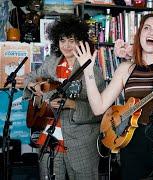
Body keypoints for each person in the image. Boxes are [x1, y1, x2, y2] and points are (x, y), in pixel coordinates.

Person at [74, 13, 153, 180]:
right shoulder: (126, 68)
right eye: (146, 28)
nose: (151, 33)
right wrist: (88, 72)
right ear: (139, 35)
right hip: (132, 140)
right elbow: (98, 107)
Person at [24, 15, 106, 179]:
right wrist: (34, 88)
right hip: (50, 136)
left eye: (71, 40)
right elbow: (29, 78)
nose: (66, 45)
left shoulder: (91, 71)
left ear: (80, 42)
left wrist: (72, 104)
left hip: (80, 141)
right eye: (62, 40)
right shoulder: (51, 62)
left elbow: (100, 112)